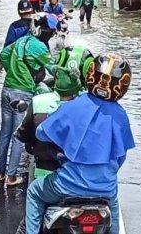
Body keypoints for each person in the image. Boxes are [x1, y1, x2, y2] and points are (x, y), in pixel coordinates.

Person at [25, 53, 135, 234]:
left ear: (91, 75)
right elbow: (120, 158)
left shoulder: (74, 105)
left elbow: (41, 133)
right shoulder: (121, 116)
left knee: (34, 193)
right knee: (114, 217)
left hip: (66, 185)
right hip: (105, 189)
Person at [0, 14, 59, 186]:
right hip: (22, 93)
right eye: (51, 31)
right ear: (44, 30)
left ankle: (0, 174)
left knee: (4, 134)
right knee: (18, 136)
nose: (52, 35)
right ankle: (11, 177)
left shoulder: (21, 41)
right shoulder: (39, 47)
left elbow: (3, 54)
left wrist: (14, 72)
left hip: (7, 89)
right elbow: (53, 69)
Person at [16, 46, 94, 179]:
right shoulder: (93, 107)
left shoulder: (38, 102)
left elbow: (24, 135)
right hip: (82, 178)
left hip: (44, 174)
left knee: (33, 196)